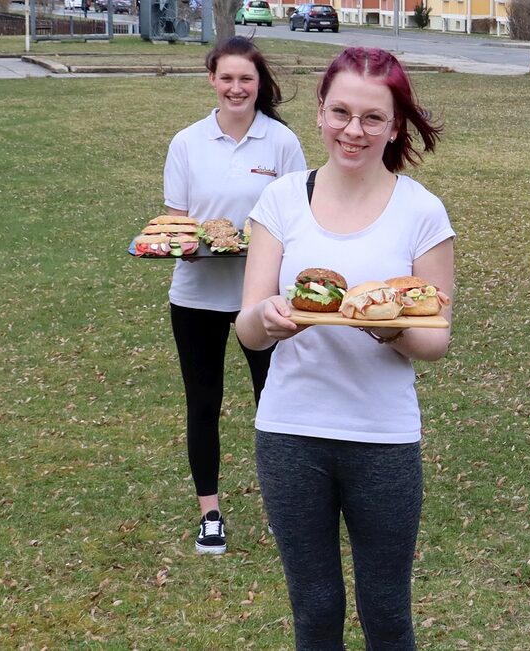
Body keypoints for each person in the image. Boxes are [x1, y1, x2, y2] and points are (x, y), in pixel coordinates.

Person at [235, 47, 452, 650]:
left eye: (372, 118)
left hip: (382, 439)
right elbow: (246, 328)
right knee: (315, 611)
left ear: (394, 125)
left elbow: (435, 338)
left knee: (386, 614)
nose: (353, 131)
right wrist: (270, 318)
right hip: (290, 432)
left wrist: (391, 329)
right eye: (340, 113)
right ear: (320, 113)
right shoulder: (280, 200)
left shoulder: (422, 211)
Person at [161, 35, 306, 554]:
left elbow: (299, 219)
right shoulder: (187, 142)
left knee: (275, 404)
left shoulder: (282, 143)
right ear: (212, 81)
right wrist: (186, 246)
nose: (237, 88)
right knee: (203, 405)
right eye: (227, 78)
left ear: (259, 83)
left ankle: (283, 508)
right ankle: (211, 514)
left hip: (261, 297)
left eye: (246, 79)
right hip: (196, 295)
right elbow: (175, 223)